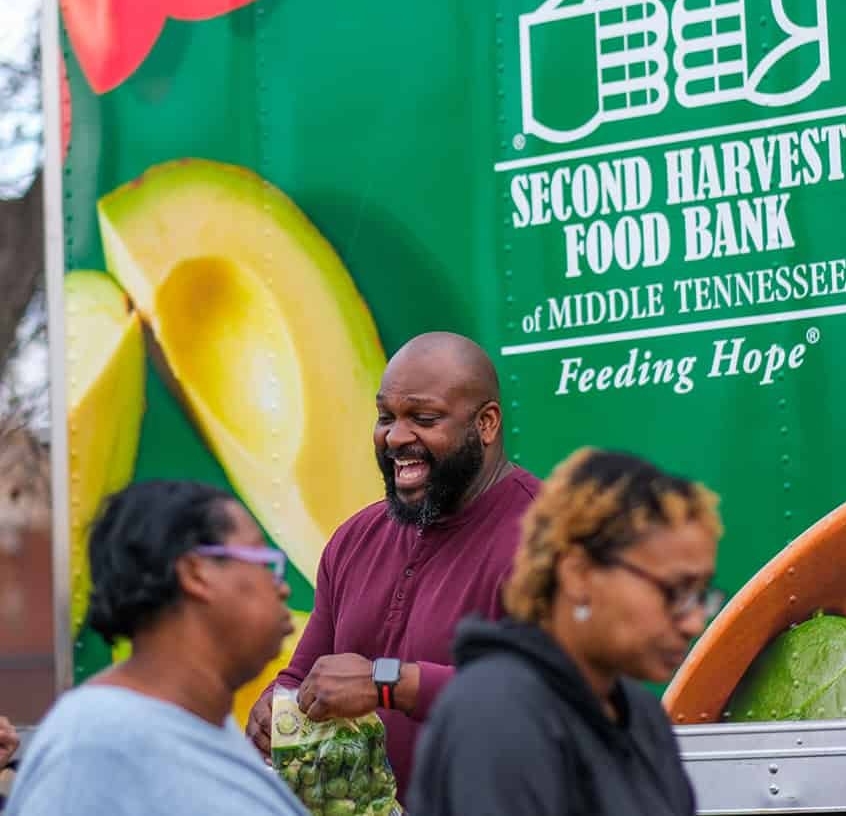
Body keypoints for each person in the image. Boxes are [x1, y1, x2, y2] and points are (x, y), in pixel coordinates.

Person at [246, 332, 540, 800]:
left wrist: (386, 683)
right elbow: (302, 676)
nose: (397, 438)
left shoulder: (548, 543)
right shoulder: (353, 540)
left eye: (423, 418)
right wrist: (274, 708)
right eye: (386, 417)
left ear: (485, 424)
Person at [407, 447, 724, 816]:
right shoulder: (498, 714)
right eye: (673, 591)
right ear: (578, 575)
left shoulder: (640, 715)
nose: (693, 622)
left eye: (699, 595)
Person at [6, 480, 306, 816]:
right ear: (196, 573)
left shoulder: (202, 724)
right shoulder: (95, 745)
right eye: (263, 562)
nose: (281, 588)